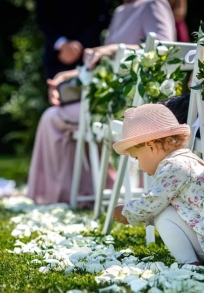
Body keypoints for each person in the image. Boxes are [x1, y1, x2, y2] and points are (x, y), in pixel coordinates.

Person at [27, 0, 176, 206]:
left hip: (135, 102)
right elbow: (107, 63)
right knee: (52, 114)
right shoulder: (121, 11)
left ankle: (67, 194)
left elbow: (165, 50)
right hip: (110, 99)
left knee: (52, 118)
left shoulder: (153, 4)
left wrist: (113, 49)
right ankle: (81, 191)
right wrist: (67, 75)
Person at [111, 103, 204, 267]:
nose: (139, 166)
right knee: (165, 208)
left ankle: (190, 263)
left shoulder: (173, 168)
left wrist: (126, 212)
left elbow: (151, 203)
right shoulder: (187, 161)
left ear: (151, 146)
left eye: (136, 158)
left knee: (162, 214)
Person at [35, 0, 114, 81]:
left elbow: (103, 14)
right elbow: (42, 17)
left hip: (90, 56)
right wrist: (62, 44)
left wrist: (81, 43)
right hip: (57, 57)